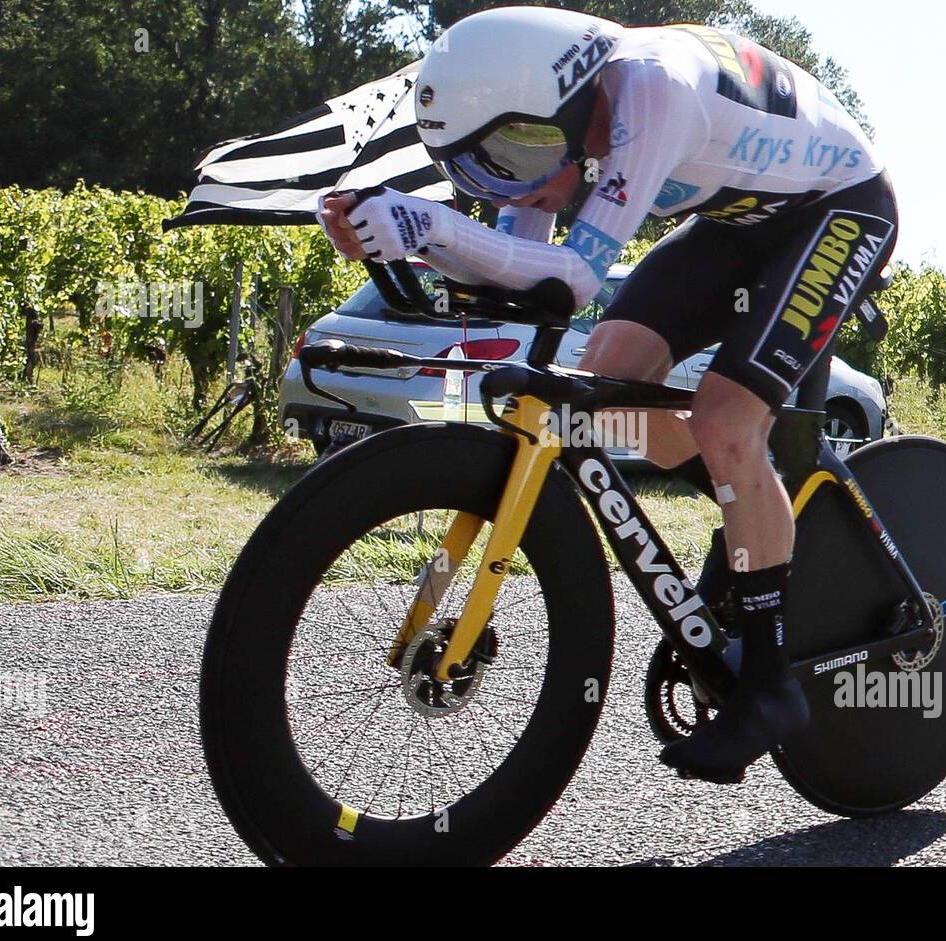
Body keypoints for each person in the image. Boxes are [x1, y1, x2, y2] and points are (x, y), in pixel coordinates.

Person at [317, 4, 898, 783]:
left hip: (840, 206)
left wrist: (428, 229)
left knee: (725, 417)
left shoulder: (648, 91)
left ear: (565, 103)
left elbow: (574, 276)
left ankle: (768, 684)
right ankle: (753, 498)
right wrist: (404, 244)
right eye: (480, 167)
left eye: (512, 152)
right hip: (737, 217)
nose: (505, 181)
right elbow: (520, 272)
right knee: (612, 370)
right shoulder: (555, 126)